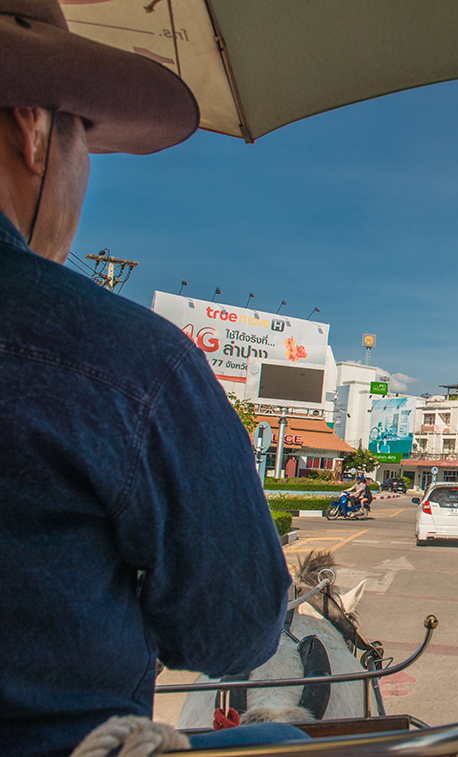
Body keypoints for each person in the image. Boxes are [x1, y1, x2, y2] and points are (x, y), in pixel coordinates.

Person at [0, 2, 298, 754]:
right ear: (33, 128)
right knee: (281, 737)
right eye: (85, 144)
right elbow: (238, 630)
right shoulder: (132, 365)